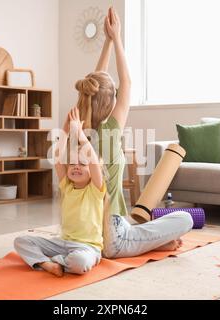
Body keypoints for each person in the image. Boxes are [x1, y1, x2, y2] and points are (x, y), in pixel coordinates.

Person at [14, 108, 106, 277]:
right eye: (71, 163)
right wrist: (65, 130)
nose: (76, 166)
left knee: (80, 262)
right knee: (21, 241)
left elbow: (93, 161)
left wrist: (80, 134)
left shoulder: (95, 190)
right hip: (62, 242)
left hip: (87, 247)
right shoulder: (67, 186)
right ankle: (48, 264)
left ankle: (56, 261)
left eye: (82, 163)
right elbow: (57, 158)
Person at [75, 7, 130, 217]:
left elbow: (97, 83)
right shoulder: (111, 132)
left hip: (88, 225)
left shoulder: (79, 126)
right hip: (113, 229)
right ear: (110, 103)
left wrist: (107, 41)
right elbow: (127, 82)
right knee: (180, 219)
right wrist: (117, 38)